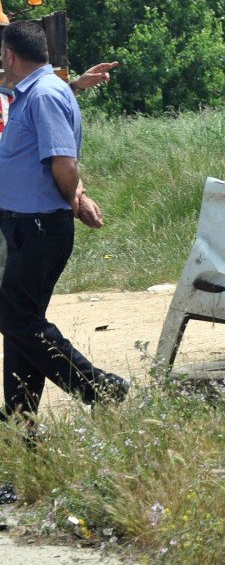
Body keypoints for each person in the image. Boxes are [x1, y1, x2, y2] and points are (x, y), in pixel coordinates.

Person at [0, 21, 128, 424]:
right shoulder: (31, 93)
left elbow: (63, 163)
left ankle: (98, 388)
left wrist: (75, 196)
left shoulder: (43, 95)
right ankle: (22, 419)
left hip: (39, 226)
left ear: (9, 55)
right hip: (24, 226)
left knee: (14, 319)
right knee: (23, 323)